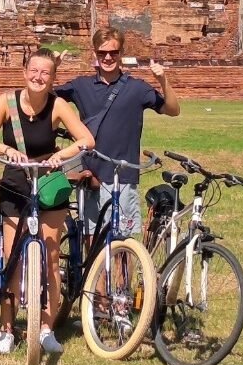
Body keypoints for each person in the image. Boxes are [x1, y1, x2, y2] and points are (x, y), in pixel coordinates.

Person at [0, 48, 94, 356]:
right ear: (25, 72)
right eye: (34, 71)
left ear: (53, 78)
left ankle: (45, 329)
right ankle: (6, 329)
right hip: (16, 181)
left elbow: (86, 140)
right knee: (12, 259)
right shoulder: (7, 102)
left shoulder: (58, 106)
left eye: (45, 73)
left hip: (47, 182)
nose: (38, 77)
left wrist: (61, 156)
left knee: (51, 257)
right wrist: (7, 150)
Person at [54, 28, 180, 243]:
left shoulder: (137, 88)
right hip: (91, 175)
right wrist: (52, 69)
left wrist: (163, 80)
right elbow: (43, 98)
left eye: (114, 52)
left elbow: (172, 109)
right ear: (95, 53)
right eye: (102, 53)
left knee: (123, 244)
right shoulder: (80, 86)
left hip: (122, 175)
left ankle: (123, 279)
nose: (108, 58)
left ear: (121, 53)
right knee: (92, 243)